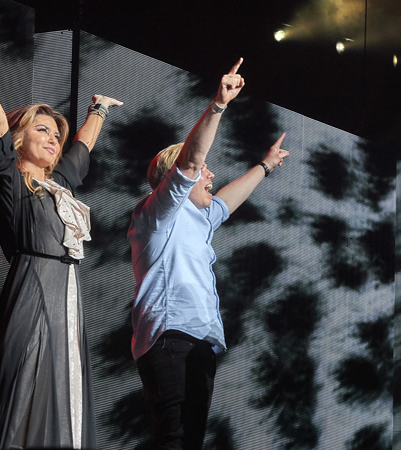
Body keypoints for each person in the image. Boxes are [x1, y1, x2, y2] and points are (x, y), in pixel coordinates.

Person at [0, 38, 122, 449]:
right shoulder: (11, 181)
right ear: (21, 140)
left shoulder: (60, 187)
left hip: (66, 296)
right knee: (22, 392)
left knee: (64, 389)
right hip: (32, 287)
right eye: (42, 130)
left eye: (56, 134)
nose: (53, 139)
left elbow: (82, 148)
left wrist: (99, 109)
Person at [127, 58, 289, 449]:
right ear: (176, 178)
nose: (211, 176)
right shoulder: (159, 211)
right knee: (173, 437)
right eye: (204, 172)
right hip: (170, 337)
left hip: (201, 341)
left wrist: (265, 166)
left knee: (191, 441)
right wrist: (218, 105)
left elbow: (227, 201)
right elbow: (193, 161)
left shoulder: (198, 219)